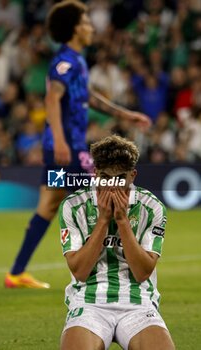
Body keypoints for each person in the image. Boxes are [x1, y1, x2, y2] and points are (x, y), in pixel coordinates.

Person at [4, 0, 150, 289]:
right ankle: (109, 271)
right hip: (67, 149)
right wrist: (60, 140)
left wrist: (125, 114)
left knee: (48, 205)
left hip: (62, 148)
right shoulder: (65, 62)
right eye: (85, 22)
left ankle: (16, 273)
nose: (91, 27)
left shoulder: (78, 61)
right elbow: (52, 99)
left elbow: (90, 98)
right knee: (103, 195)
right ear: (73, 29)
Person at [59, 135, 175, 350]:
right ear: (95, 173)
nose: (112, 186)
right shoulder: (74, 206)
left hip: (138, 302)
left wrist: (122, 220)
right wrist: (103, 220)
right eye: (105, 177)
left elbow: (142, 272)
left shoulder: (151, 207)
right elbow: (80, 271)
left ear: (132, 176)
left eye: (120, 178)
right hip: (88, 301)